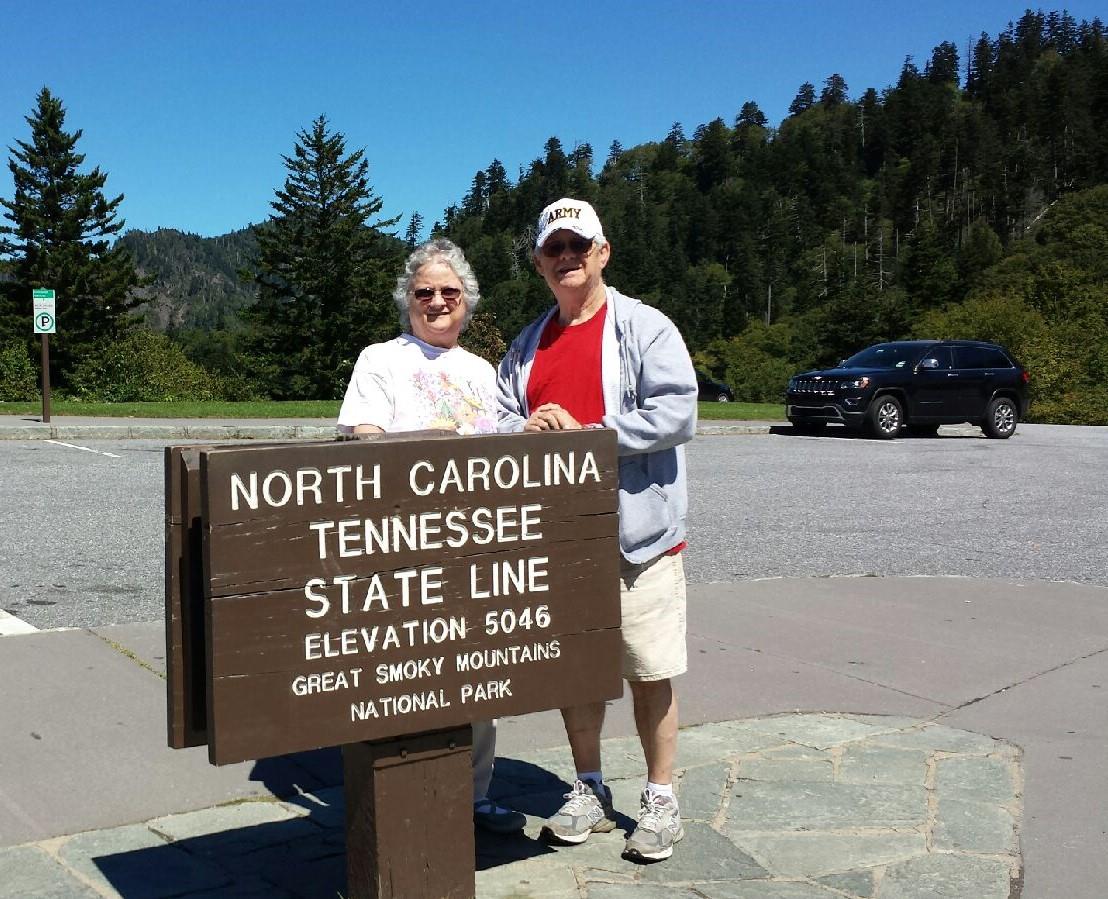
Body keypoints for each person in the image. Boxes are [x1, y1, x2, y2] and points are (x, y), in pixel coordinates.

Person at [496, 199, 697, 861]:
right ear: (538, 262)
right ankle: (588, 787)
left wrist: (593, 437)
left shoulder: (644, 326)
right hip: (561, 541)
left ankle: (661, 797)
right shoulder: (525, 346)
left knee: (649, 669)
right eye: (554, 248)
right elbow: (497, 424)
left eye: (578, 245)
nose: (566, 257)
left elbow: (678, 411)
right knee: (577, 673)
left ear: (602, 252)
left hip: (638, 538)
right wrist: (522, 433)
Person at [337, 237, 525, 834]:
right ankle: (400, 803)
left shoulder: (482, 371)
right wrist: (427, 446)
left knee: (475, 674)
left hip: (472, 547)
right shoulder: (381, 359)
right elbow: (360, 438)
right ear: (408, 301)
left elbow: (504, 454)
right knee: (397, 677)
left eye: (450, 291)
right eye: (425, 292)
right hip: (400, 548)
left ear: (466, 301)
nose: (438, 301)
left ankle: (472, 797)